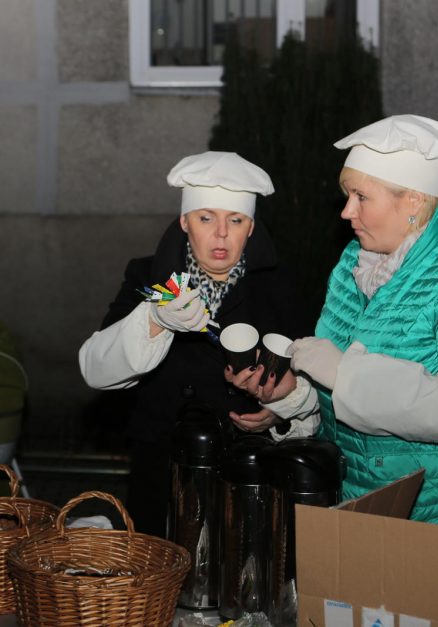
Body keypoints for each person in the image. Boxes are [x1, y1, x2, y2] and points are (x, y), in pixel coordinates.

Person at [229, 115, 438, 549]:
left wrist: (347, 374)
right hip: (369, 507)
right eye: (348, 195)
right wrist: (291, 398)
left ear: (412, 201)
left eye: (360, 197)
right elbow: (338, 394)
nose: (346, 211)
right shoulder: (357, 261)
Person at [78, 151, 313, 536]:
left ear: (251, 227)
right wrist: (152, 319)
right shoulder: (147, 276)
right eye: (207, 218)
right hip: (162, 471)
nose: (221, 234)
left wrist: (279, 412)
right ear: (185, 222)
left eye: (235, 220)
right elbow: (95, 369)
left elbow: (309, 382)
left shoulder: (280, 285)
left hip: (247, 477)